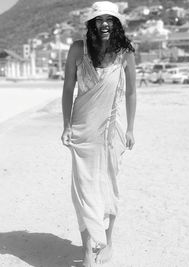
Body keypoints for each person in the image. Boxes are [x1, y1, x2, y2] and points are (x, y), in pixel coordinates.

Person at [61, 1, 136, 266]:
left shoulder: (124, 53)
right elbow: (68, 88)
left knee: (110, 185)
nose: (105, 23)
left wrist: (130, 128)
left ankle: (109, 242)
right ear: (93, 23)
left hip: (111, 130)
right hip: (82, 129)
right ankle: (86, 254)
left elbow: (130, 92)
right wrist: (67, 125)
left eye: (110, 19)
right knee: (82, 189)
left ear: (116, 23)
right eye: (100, 19)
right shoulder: (77, 49)